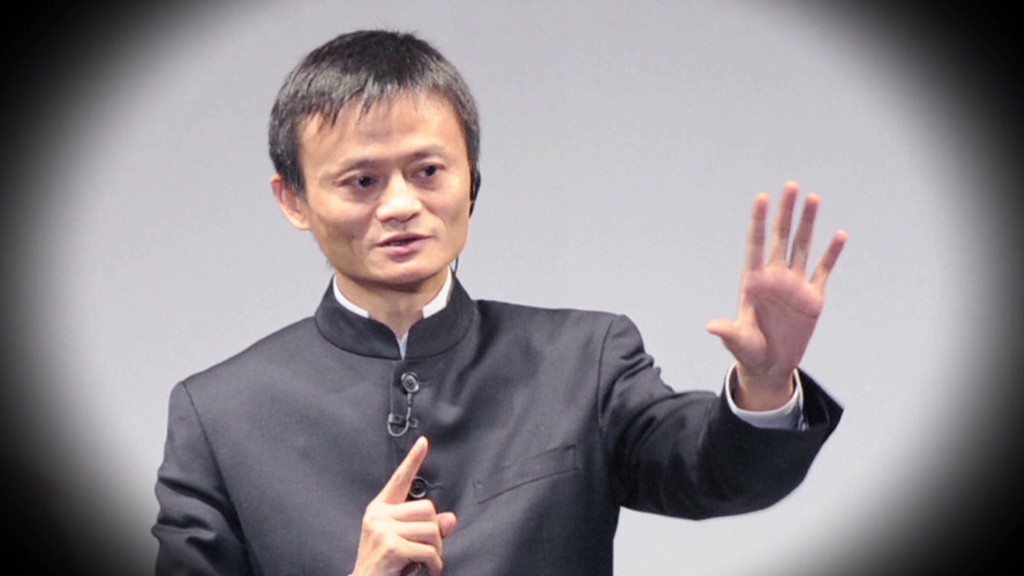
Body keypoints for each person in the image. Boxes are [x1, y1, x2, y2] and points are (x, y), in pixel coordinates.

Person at [152, 29, 847, 576]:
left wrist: (765, 386)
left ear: (471, 181)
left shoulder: (584, 360)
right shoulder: (220, 415)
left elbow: (715, 475)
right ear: (294, 200)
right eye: (361, 181)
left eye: (428, 171)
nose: (401, 205)